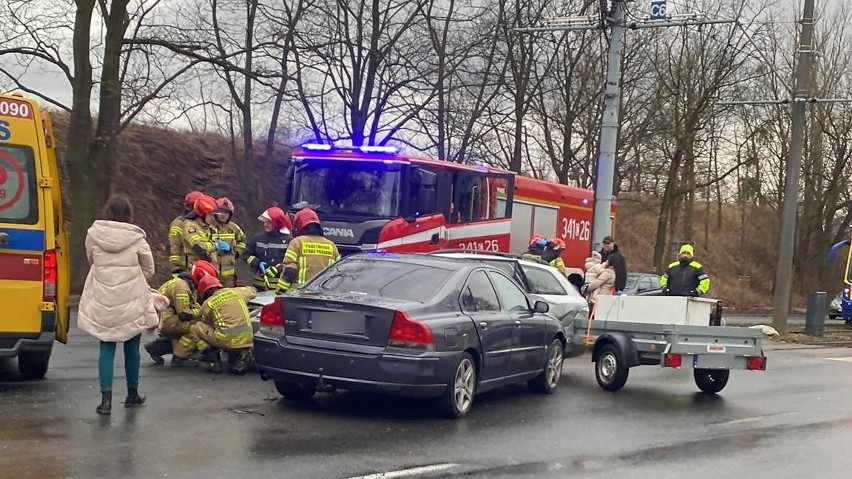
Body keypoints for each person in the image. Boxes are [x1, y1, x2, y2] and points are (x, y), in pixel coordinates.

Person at [77, 194, 162, 415]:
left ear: (107, 211)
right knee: (132, 347)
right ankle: (132, 394)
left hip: (104, 297)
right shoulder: (137, 238)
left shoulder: (93, 236)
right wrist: (134, 278)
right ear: (128, 214)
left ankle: (105, 401)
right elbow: (150, 269)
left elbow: (92, 261)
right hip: (131, 297)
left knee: (106, 346)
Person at [184, 275, 257, 374]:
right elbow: (253, 290)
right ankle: (244, 356)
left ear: (205, 292)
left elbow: (209, 324)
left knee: (196, 327)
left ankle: (212, 358)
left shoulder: (208, 303)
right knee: (232, 357)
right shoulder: (236, 292)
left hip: (225, 341)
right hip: (248, 339)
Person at [142, 262, 210, 366]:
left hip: (165, 320)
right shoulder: (181, 287)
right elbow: (184, 314)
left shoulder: (183, 284)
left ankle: (157, 348)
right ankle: (180, 356)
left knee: (181, 332)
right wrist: (201, 311)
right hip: (167, 321)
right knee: (198, 327)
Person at [278, 208, 340, 291]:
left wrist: (281, 290)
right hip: (323, 294)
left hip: (300, 293)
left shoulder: (297, 242)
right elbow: (338, 271)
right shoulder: (331, 245)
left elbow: (290, 271)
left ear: (298, 225)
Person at [243, 206, 292, 290]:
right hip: (259, 286)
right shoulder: (258, 238)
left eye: (269, 222)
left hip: (280, 287)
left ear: (277, 223)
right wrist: (257, 263)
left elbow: (292, 262)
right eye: (265, 222)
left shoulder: (288, 240)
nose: (265, 224)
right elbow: (246, 254)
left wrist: (278, 269)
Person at [214, 197, 247, 287]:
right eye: (220, 211)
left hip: (229, 275)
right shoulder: (209, 226)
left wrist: (235, 252)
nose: (223, 215)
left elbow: (243, 240)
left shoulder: (233, 228)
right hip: (212, 272)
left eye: (226, 212)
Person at [180, 194, 220, 268]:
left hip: (209, 270)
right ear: (202, 214)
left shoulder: (208, 227)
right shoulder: (190, 227)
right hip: (195, 271)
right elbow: (200, 247)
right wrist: (216, 245)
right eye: (210, 215)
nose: (213, 218)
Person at [168, 191, 203, 272]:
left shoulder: (202, 222)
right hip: (185, 268)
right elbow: (174, 247)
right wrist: (176, 267)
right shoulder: (178, 223)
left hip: (201, 266)